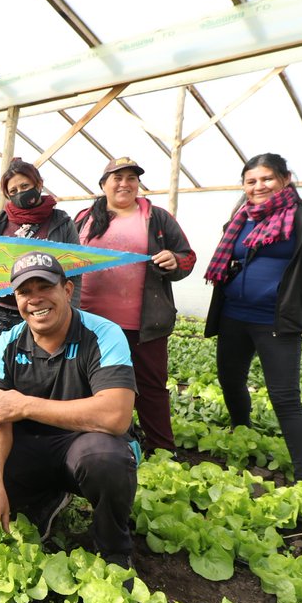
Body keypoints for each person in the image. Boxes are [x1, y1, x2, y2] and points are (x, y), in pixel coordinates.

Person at [0, 252, 139, 572]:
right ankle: (42, 502)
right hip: (34, 445)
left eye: (45, 287)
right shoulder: (6, 345)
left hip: (86, 444)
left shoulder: (104, 334)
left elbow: (115, 416)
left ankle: (114, 547)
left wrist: (26, 405)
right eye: (25, 292)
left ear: (67, 290)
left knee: (104, 459)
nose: (35, 299)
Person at [203, 153, 302, 485]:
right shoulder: (240, 219)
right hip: (234, 315)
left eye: (266, 178)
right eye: (251, 181)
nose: (259, 186)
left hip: (275, 321)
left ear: (285, 178)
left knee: (285, 398)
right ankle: (242, 430)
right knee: (230, 380)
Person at [75, 157, 196, 455]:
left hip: (143, 325)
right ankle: (94, 445)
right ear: (103, 185)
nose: (124, 183)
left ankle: (162, 449)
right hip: (89, 322)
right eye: (117, 178)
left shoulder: (156, 218)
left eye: (131, 178)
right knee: (89, 384)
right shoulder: (84, 218)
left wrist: (174, 260)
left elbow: (187, 257)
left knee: (150, 387)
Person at [0, 158, 81, 356]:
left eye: (25, 186)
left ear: (38, 184)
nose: (20, 193)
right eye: (13, 191)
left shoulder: (62, 222)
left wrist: (71, 313)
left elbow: (75, 270)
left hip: (40, 311)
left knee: (35, 366)